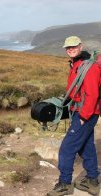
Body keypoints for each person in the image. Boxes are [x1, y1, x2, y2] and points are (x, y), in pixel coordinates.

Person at [47, 36, 101, 196]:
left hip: (86, 113)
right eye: (68, 47)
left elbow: (92, 95)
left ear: (80, 46)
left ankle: (64, 183)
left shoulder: (88, 67)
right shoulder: (75, 64)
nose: (70, 49)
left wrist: (84, 117)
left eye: (74, 46)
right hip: (81, 111)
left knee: (67, 148)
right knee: (86, 147)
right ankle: (92, 180)